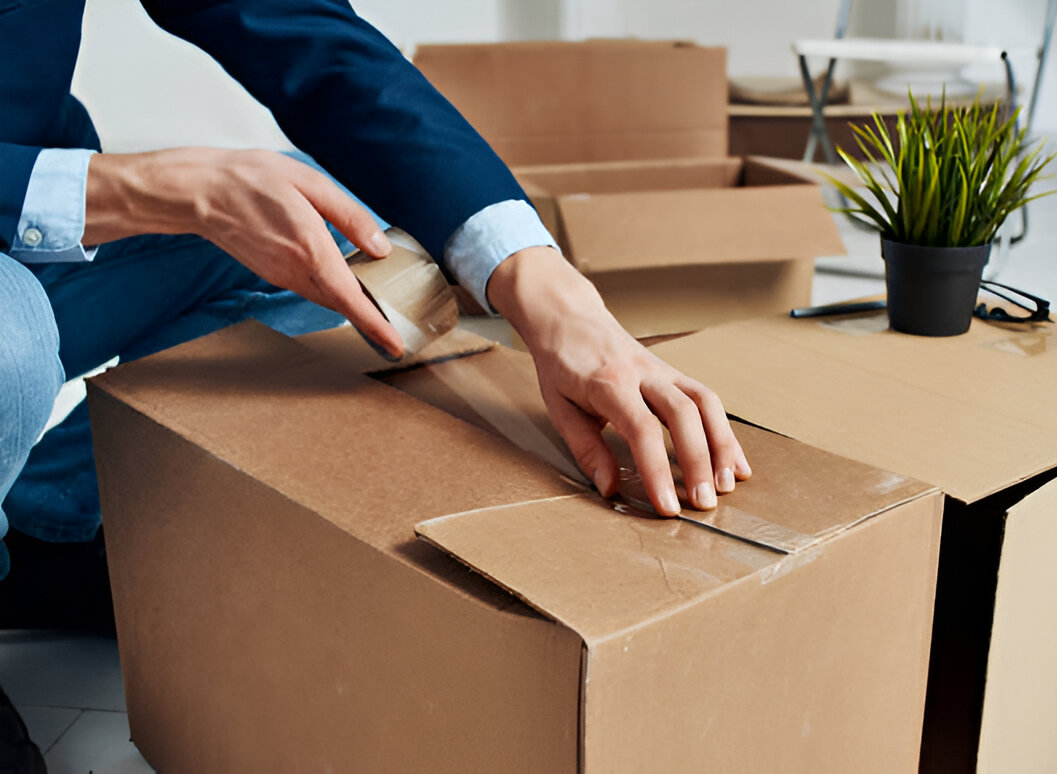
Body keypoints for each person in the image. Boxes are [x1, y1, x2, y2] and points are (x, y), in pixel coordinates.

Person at [0, 5, 752, 762]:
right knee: (11, 338)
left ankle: (49, 531)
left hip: (37, 207)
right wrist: (139, 188)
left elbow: (298, 26)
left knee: (344, 224)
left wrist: (550, 290)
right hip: (22, 235)